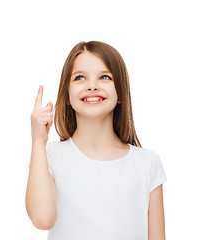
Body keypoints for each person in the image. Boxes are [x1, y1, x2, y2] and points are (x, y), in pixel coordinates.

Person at [25, 41, 167, 240]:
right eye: (80, 78)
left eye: (105, 77)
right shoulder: (50, 157)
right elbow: (43, 219)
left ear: (120, 92)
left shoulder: (147, 163)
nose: (92, 86)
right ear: (66, 94)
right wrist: (37, 142)